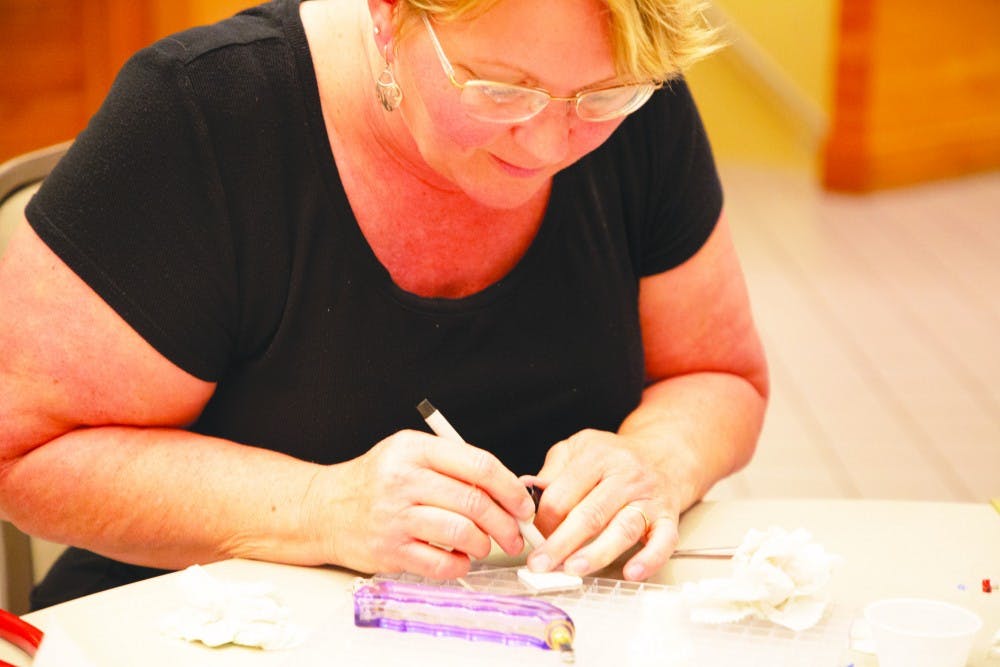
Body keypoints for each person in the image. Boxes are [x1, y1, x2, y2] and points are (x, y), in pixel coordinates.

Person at [0, 0, 768, 610]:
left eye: (600, 98)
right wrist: (322, 505)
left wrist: (657, 460)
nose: (548, 146)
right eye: (500, 88)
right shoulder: (203, 115)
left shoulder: (642, 103)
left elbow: (718, 373)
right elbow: (20, 450)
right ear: (387, 15)